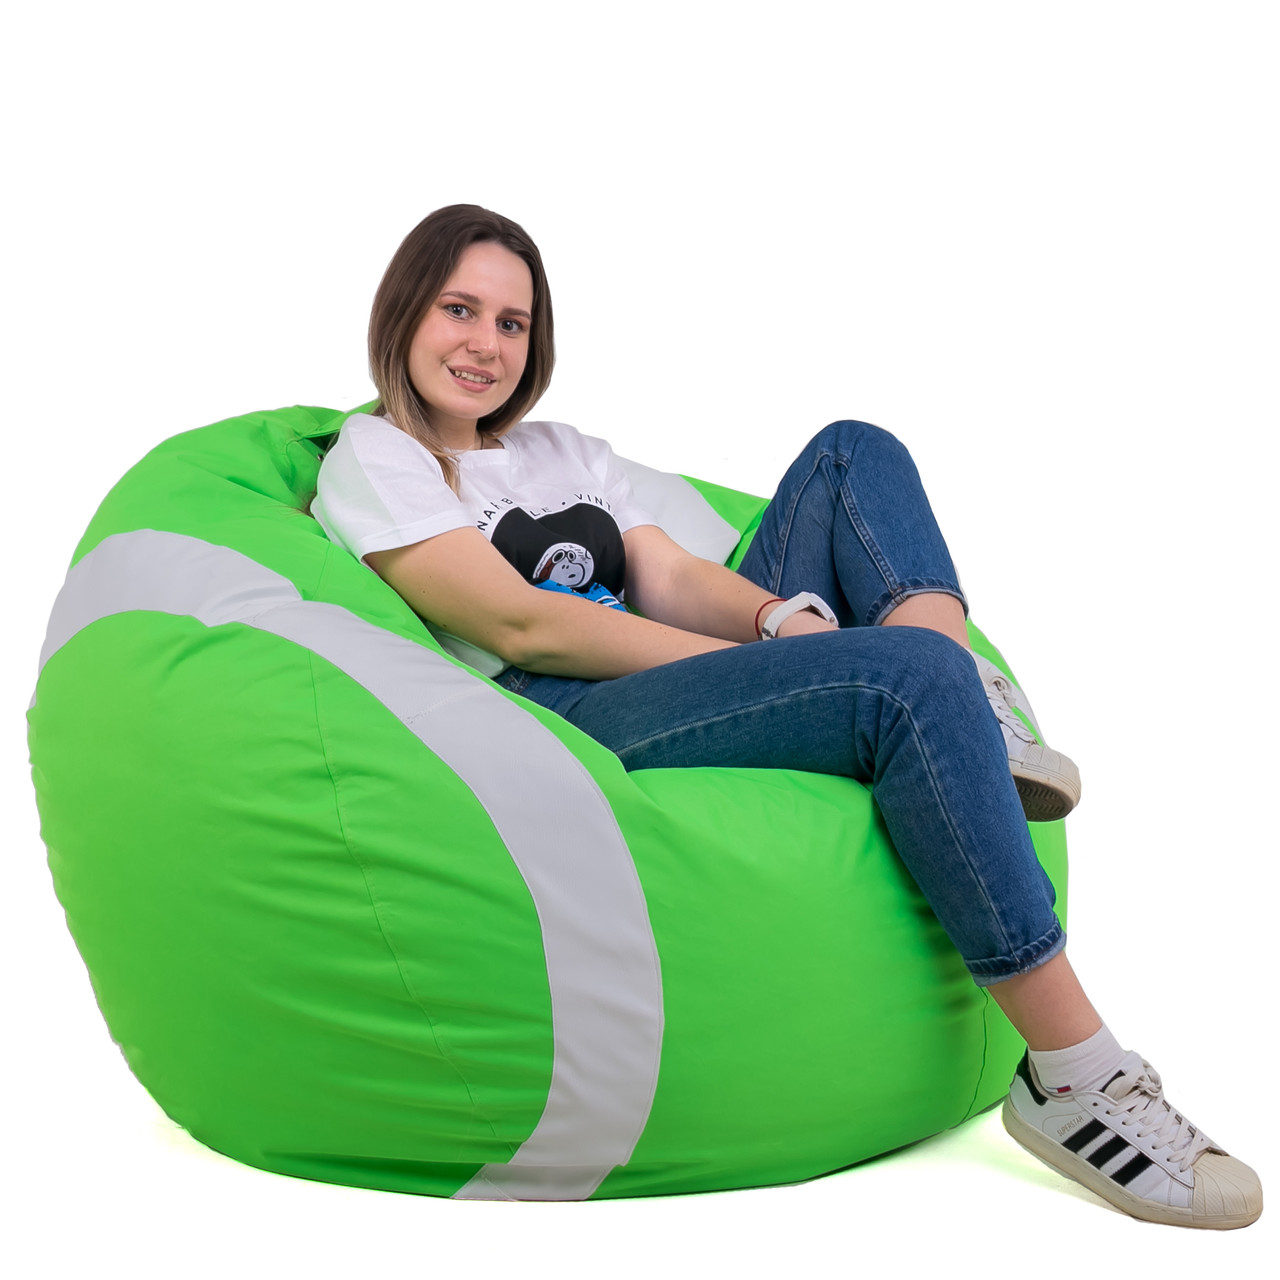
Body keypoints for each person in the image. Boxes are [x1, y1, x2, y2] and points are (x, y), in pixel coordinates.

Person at [312, 204, 1261, 1229]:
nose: (486, 344)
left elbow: (668, 575)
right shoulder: (377, 456)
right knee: (904, 682)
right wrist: (765, 665)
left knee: (853, 452)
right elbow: (520, 622)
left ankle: (963, 708)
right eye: (459, 310)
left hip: (662, 652)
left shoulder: (560, 449)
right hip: (570, 708)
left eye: (513, 323)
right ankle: (1075, 1076)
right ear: (405, 310)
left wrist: (779, 621)